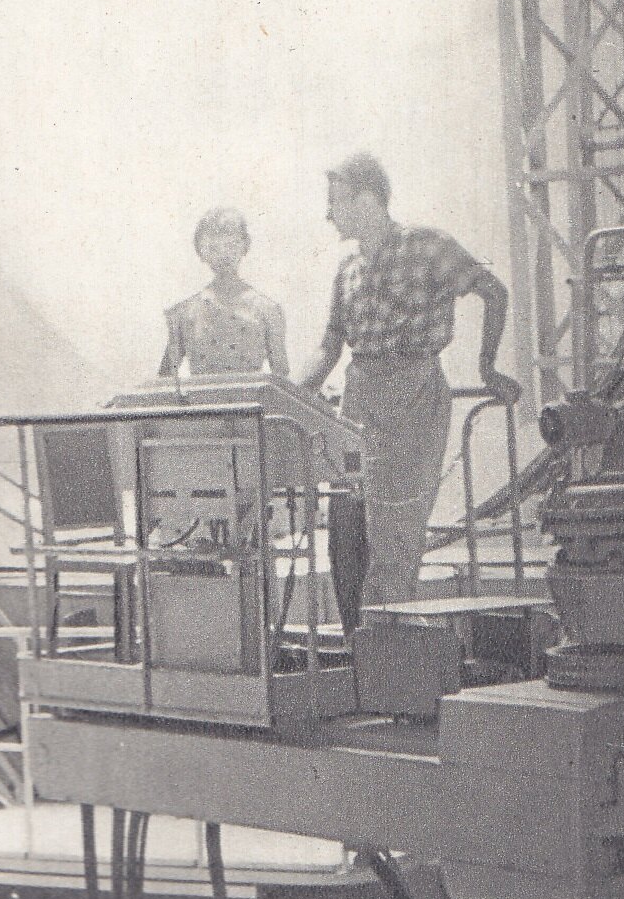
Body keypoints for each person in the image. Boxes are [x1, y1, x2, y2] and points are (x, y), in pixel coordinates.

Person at [297, 150, 520, 605]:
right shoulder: (348, 269)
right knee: (346, 531)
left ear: (367, 199)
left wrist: (488, 367)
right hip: (358, 401)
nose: (328, 214)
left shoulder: (427, 245)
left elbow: (493, 292)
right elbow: (329, 346)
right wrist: (283, 397)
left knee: (394, 534)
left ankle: (390, 638)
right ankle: (359, 638)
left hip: (414, 394)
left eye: (335, 202)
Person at [159, 207, 289, 379]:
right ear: (201, 252)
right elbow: (165, 379)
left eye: (231, 245)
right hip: (200, 396)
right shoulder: (184, 313)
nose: (223, 255)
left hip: (250, 397)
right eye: (213, 248)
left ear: (245, 246)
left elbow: (281, 377)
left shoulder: (268, 310)